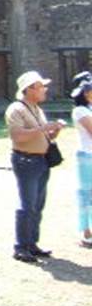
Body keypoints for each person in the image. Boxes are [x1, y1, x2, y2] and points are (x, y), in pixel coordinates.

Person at [5, 71, 64, 263]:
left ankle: (32, 243)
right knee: (27, 205)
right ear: (29, 89)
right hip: (26, 161)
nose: (44, 90)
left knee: (38, 205)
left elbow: (42, 135)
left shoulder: (37, 108)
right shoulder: (16, 109)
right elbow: (18, 136)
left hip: (41, 160)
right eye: (40, 86)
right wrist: (43, 129)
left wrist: (53, 131)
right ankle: (21, 247)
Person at [70, 77, 92, 248]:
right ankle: (86, 231)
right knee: (86, 194)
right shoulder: (80, 111)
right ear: (85, 94)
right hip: (87, 156)